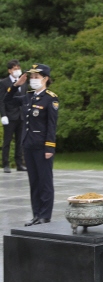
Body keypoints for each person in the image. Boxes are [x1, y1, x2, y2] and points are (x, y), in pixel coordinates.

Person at [4, 64, 59, 226]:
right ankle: (36, 214)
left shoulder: (51, 98)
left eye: (36, 77)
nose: (33, 80)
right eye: (32, 77)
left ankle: (45, 215)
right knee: (34, 182)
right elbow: (7, 100)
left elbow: (52, 125)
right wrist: (15, 86)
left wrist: (49, 147)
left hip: (42, 147)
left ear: (45, 78)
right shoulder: (28, 96)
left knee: (45, 182)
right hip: (28, 145)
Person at [0, 59, 27, 173]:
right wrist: (3, 115)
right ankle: (5, 164)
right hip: (10, 116)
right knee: (7, 141)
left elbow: (25, 98)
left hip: (21, 116)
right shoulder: (4, 83)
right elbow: (2, 100)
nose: (17, 71)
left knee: (20, 141)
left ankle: (19, 163)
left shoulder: (24, 82)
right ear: (10, 70)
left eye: (18, 68)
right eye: (15, 69)